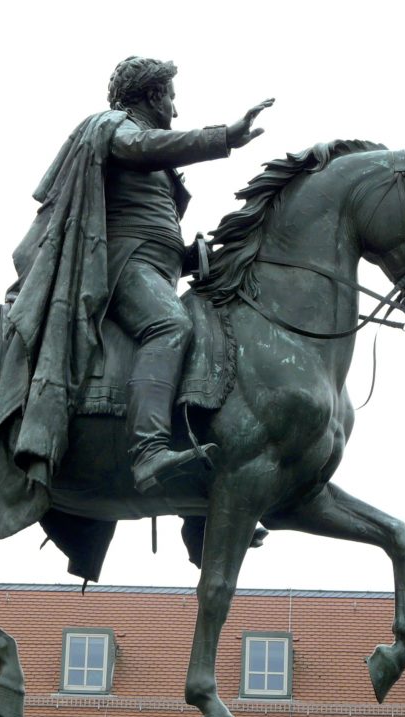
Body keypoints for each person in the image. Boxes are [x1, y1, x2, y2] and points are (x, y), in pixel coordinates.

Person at [89, 56, 272, 491]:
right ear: (152, 95)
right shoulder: (116, 127)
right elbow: (145, 149)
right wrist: (223, 138)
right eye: (170, 96)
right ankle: (147, 451)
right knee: (170, 324)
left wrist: (192, 256)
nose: (175, 108)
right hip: (121, 266)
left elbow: (155, 232)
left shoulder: (145, 146)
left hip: (152, 267)